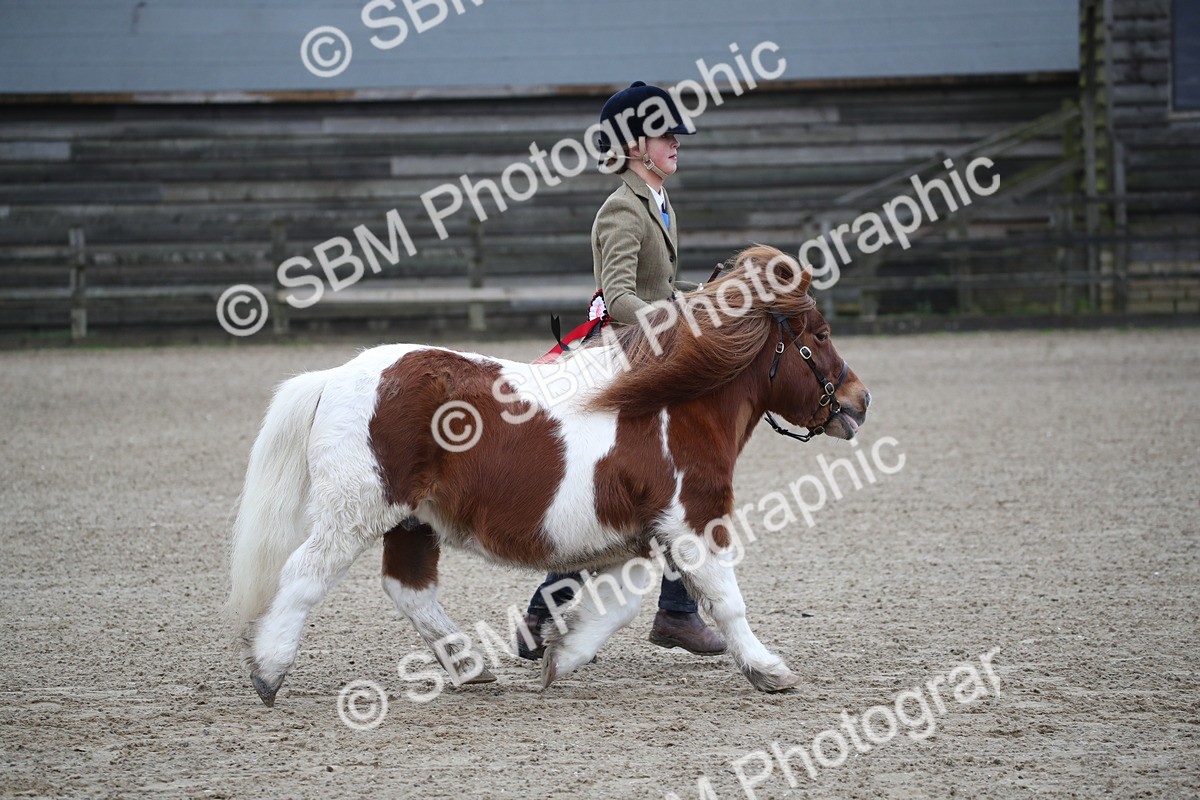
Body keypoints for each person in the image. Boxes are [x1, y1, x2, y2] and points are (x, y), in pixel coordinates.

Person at [518, 81, 727, 660]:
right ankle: (667, 611)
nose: (677, 144)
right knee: (652, 489)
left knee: (665, 489)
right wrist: (680, 316)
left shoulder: (659, 202)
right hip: (625, 353)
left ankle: (670, 610)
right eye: (665, 135)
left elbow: (659, 287)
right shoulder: (621, 208)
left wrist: (708, 296)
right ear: (635, 145)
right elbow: (619, 296)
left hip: (654, 347)